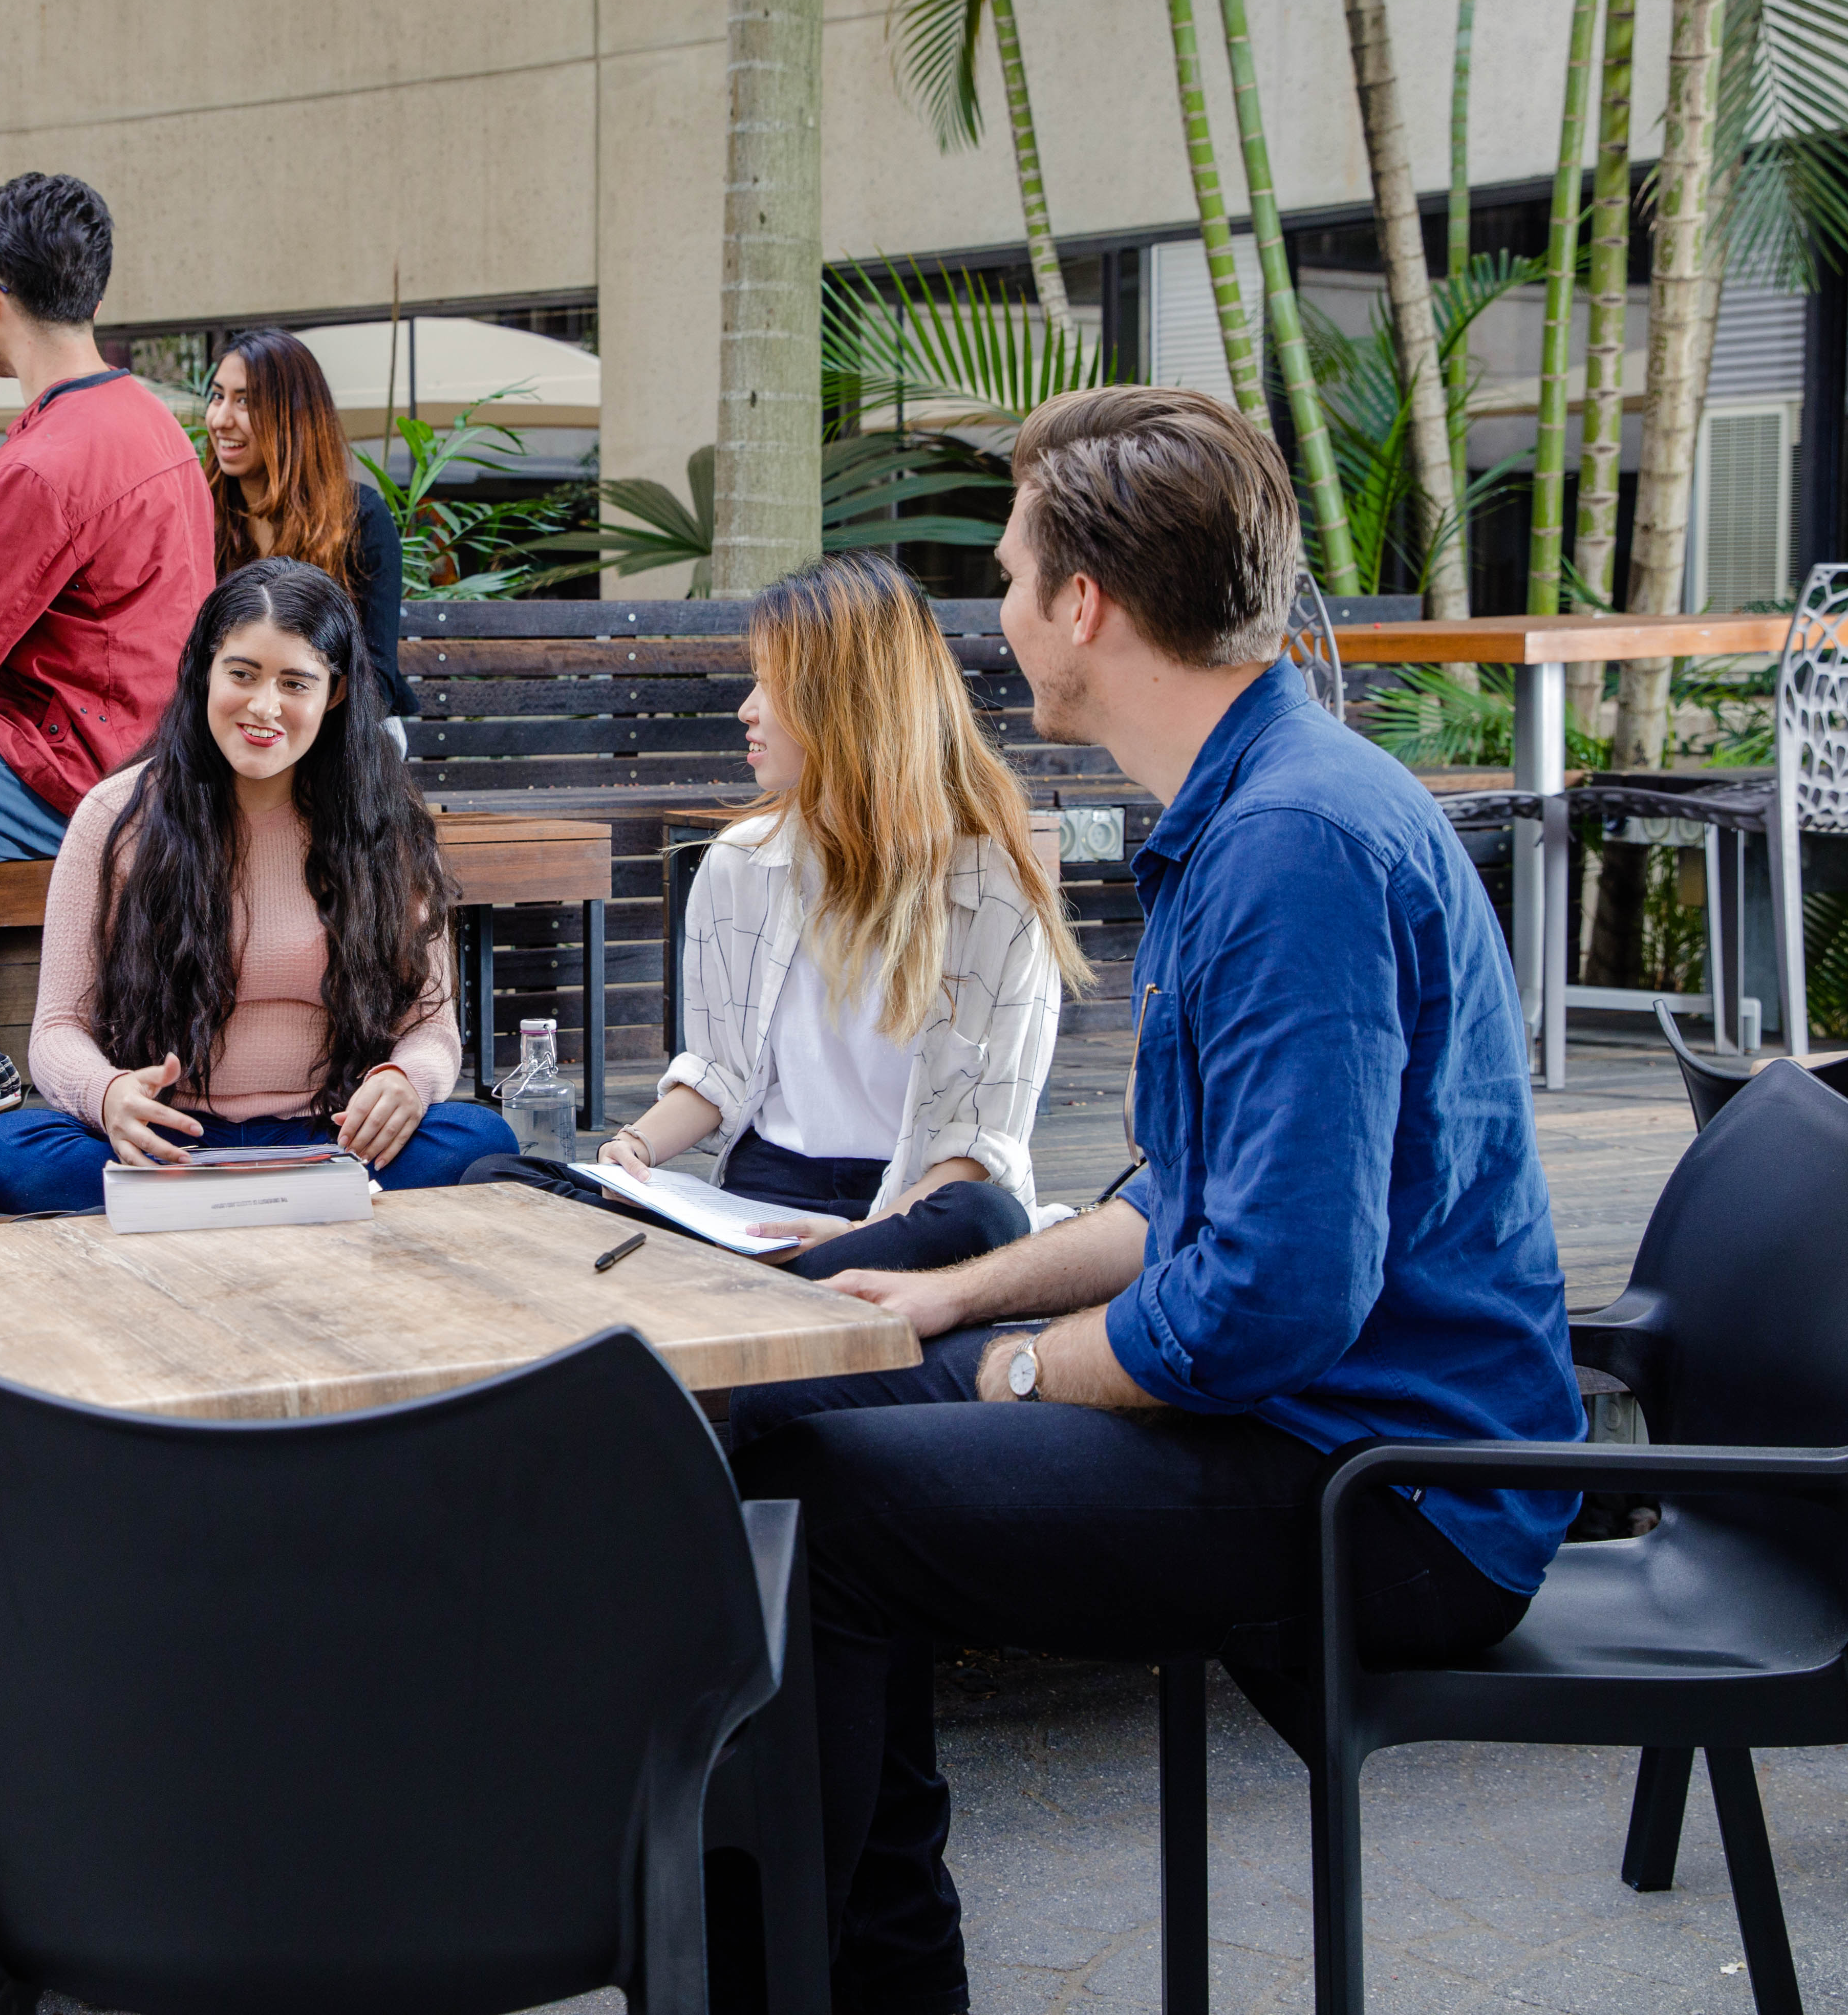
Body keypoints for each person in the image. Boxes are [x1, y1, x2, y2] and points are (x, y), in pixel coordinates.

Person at [729, 388, 1582, 2015]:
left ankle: (804, 1980)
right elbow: (1195, 1206)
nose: (995, 605)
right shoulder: (1258, 805)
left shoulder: (1289, 850)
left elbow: (1265, 1297)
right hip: (1320, 1427)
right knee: (793, 1410)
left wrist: (1016, 1368)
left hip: (1390, 1497)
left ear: (1082, 604)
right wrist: (951, 1301)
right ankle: (855, 1976)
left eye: (1006, 568)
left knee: (821, 1515)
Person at [470, 552, 1080, 1317]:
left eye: (773, 684)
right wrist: (634, 1148)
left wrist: (855, 1230)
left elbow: (977, 1151)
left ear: (846, 702)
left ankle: (734, 1287)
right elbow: (719, 1072)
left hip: (910, 1204)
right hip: (763, 1193)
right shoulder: (738, 863)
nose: (746, 709)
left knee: (985, 1221)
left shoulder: (994, 885)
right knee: (497, 1174)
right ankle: (770, 1286)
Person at [0, 559, 515, 1213]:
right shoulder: (114, 817)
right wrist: (108, 1094)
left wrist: (406, 1080)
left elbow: (430, 1027)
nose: (263, 707)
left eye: (295, 682)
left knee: (480, 1138)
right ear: (204, 669)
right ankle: (292, 1208)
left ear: (334, 693)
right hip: (167, 1143)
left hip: (334, 1136)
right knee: (1, 1150)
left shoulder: (384, 825)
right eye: (242, 674)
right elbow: (57, 1029)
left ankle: (210, 1210)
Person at [0, 173, 212, 1051]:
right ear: (91, 291)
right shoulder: (156, 424)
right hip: (148, 758)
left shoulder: (48, 461)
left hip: (64, 769)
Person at [202, 327, 416, 733]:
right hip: (232, 722)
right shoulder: (201, 511)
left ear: (293, 416)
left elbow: (377, 677)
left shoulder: (359, 517)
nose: (220, 419)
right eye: (217, 396)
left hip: (342, 727)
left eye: (244, 401)